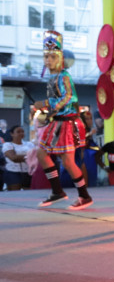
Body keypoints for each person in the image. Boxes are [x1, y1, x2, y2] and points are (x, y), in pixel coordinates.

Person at [34, 30, 93, 210]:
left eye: (52, 56)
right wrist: (47, 112)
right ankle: (58, 191)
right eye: (46, 56)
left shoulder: (64, 76)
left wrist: (45, 103)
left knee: (66, 161)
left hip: (66, 123)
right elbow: (58, 102)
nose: (48, 60)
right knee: (42, 154)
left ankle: (83, 196)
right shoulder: (53, 77)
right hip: (57, 122)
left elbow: (69, 97)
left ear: (59, 57)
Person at [3, 125, 35, 190]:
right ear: (12, 134)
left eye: (22, 131)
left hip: (28, 172)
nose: (21, 133)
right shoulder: (7, 145)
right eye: (18, 132)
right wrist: (29, 157)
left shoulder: (29, 144)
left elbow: (35, 157)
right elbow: (14, 158)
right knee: (14, 194)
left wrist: (20, 157)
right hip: (12, 172)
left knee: (29, 194)